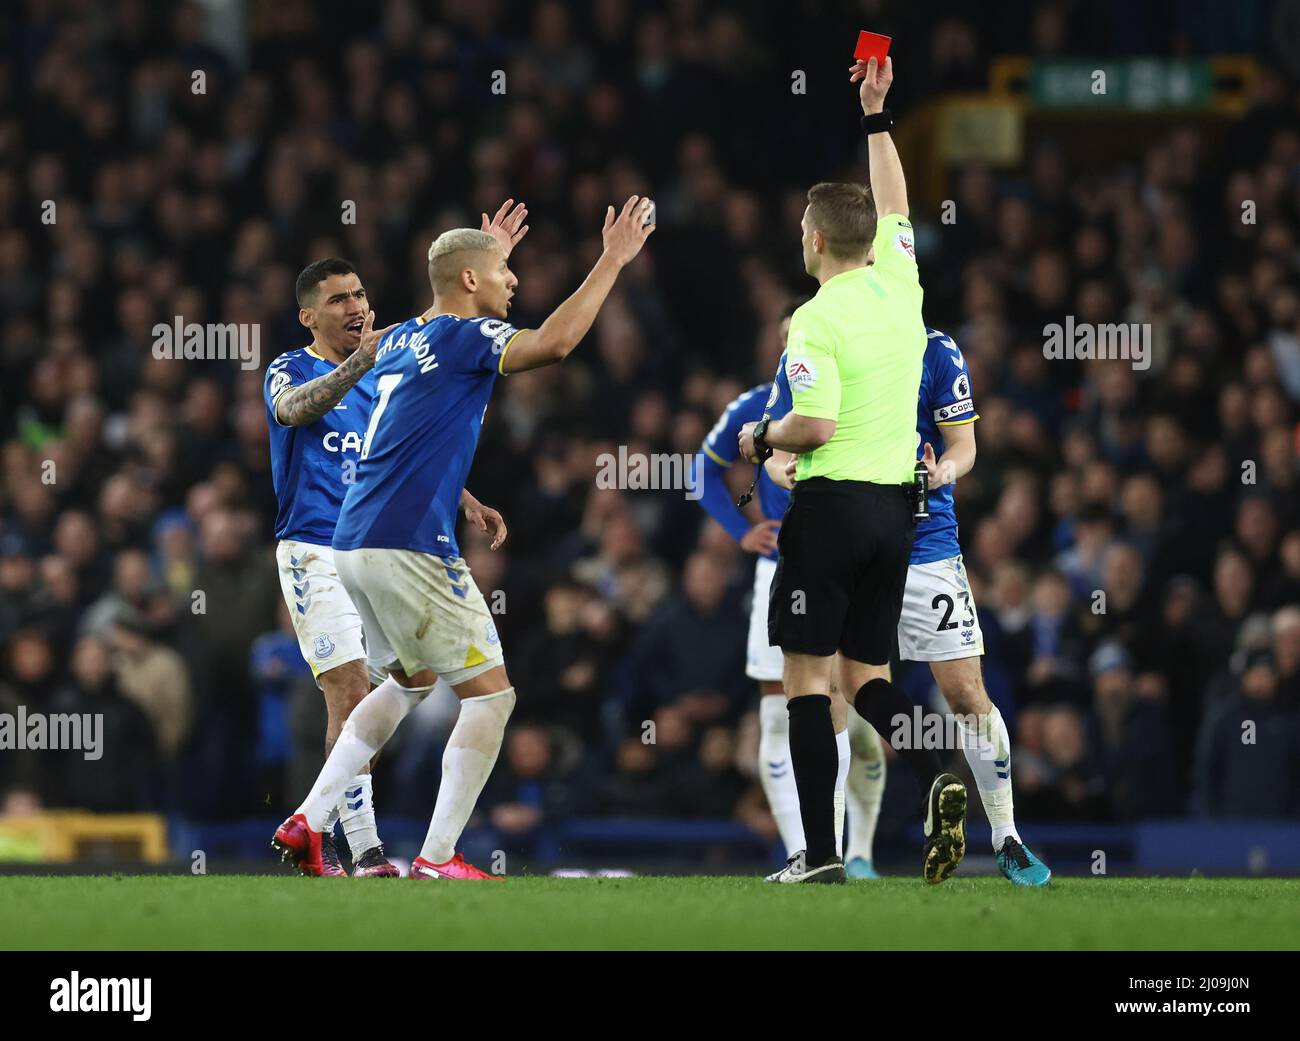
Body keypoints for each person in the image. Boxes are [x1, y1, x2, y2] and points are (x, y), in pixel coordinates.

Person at [272, 194, 656, 879]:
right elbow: (557, 343)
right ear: (472, 282)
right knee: (492, 695)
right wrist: (612, 259)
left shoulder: (398, 341)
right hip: (406, 544)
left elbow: (402, 420)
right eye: (506, 272)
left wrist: (466, 498)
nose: (516, 283)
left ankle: (308, 818)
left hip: (355, 543)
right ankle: (438, 857)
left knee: (407, 682)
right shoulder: (463, 337)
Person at [738, 55, 965, 885]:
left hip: (830, 510)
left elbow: (816, 423)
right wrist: (877, 116)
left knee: (805, 679)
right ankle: (937, 772)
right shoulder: (901, 284)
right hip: (897, 513)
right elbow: (898, 202)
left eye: (803, 229)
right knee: (868, 676)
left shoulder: (813, 317)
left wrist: (764, 439)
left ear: (817, 239)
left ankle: (822, 855)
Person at [264, 220, 516, 876]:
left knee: (405, 680)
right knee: (352, 686)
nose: (358, 306)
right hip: (316, 547)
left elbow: (398, 451)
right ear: (308, 315)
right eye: (341, 299)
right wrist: (362, 361)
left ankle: (318, 827)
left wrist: (468, 500)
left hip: (377, 543)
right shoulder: (292, 367)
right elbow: (293, 411)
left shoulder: (386, 369)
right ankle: (366, 848)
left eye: (361, 295)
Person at [769, 327, 1052, 886]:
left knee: (963, 691)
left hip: (924, 543)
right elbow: (780, 460)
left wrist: (944, 470)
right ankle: (836, 850)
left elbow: (963, 445)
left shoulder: (934, 348)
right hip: (852, 537)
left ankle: (1006, 837)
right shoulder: (817, 338)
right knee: (837, 692)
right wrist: (797, 471)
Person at [696, 302, 885, 878]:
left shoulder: (857, 404)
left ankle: (859, 853)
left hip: (851, 571)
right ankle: (805, 850)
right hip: (781, 569)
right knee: (782, 715)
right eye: (788, 342)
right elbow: (699, 471)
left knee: (860, 719)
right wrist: (740, 530)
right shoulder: (755, 409)